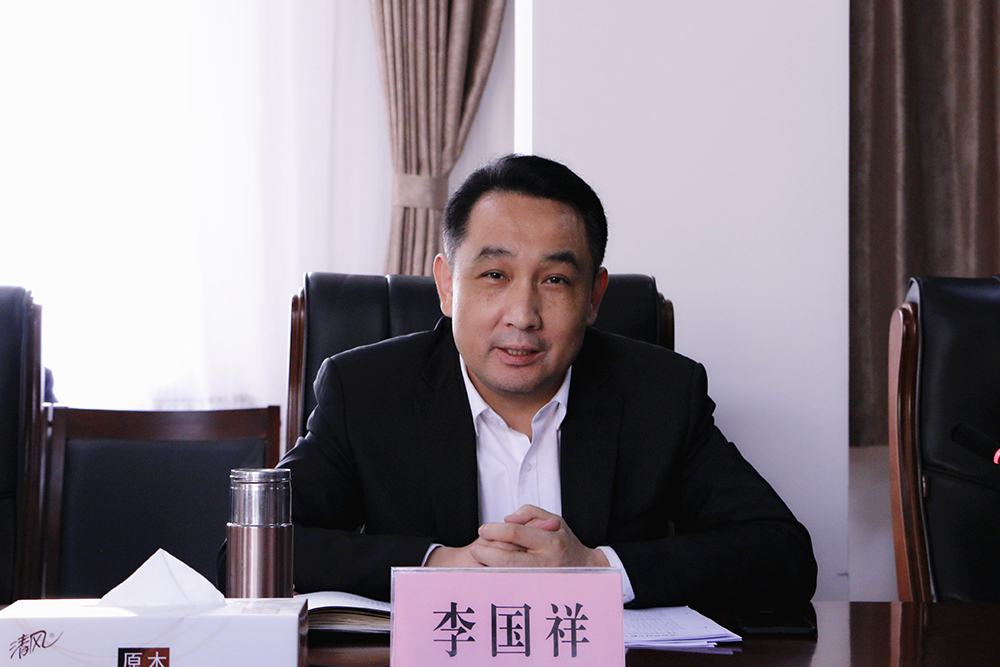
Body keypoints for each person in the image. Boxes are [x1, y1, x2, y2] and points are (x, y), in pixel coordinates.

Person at [279, 154, 817, 608]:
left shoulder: (661, 394)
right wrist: (437, 566)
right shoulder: (365, 390)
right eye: (495, 275)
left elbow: (782, 553)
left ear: (594, 297)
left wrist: (598, 570)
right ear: (447, 286)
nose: (523, 315)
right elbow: (262, 544)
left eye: (555, 280)